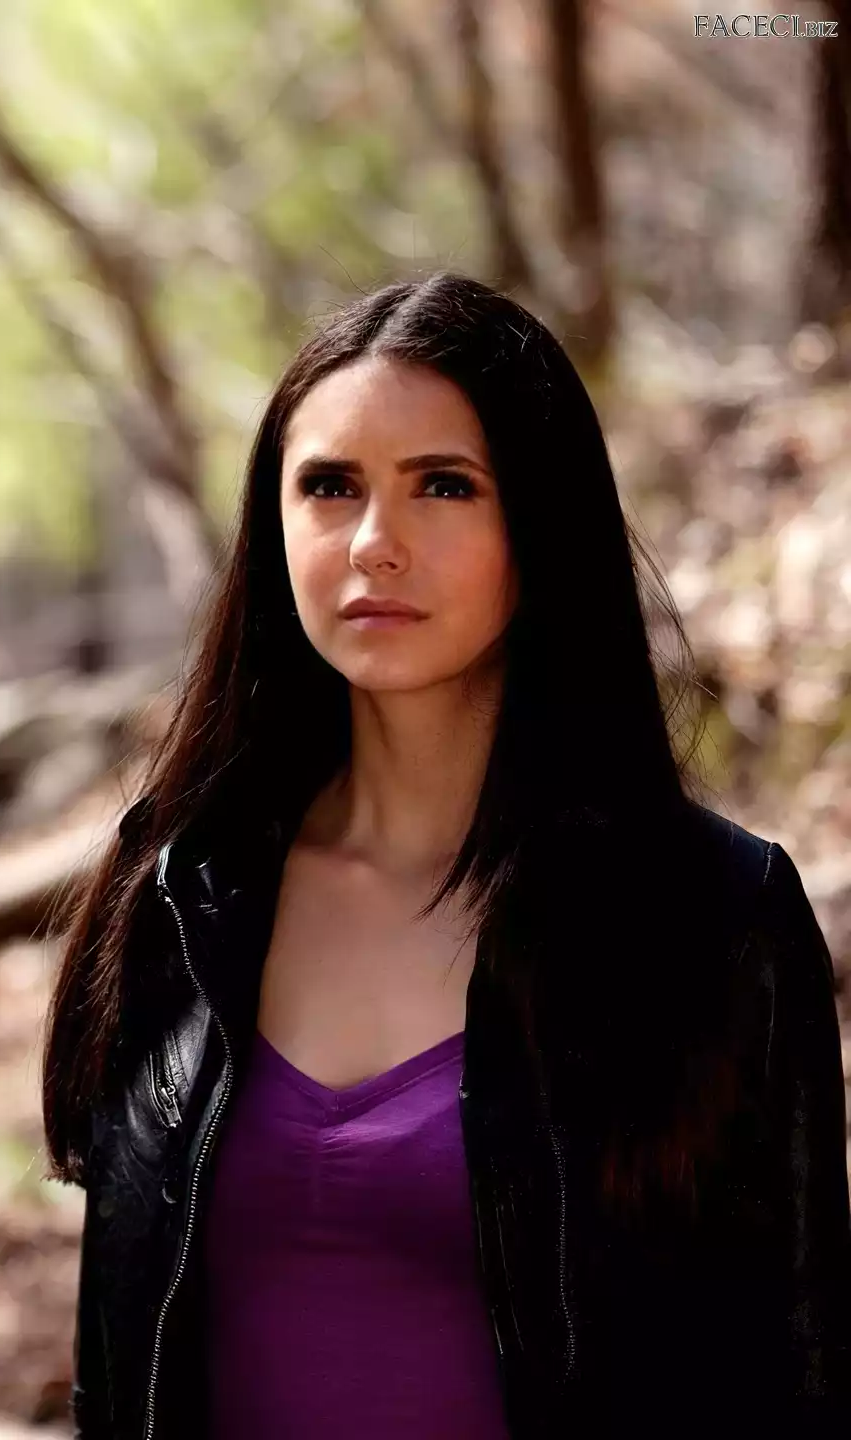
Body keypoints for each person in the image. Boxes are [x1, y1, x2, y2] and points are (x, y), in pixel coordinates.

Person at [43, 272, 851, 1438]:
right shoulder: (180, 893)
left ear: (541, 524)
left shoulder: (715, 915)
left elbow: (799, 1371)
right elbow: (113, 1370)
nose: (376, 544)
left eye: (443, 485)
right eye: (330, 486)